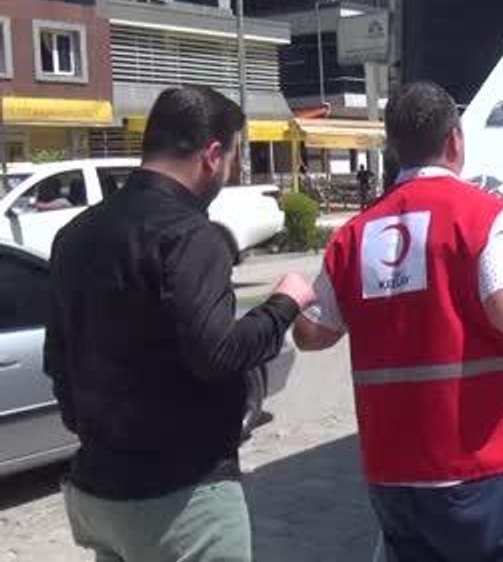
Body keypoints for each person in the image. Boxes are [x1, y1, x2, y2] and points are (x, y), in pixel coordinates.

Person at [291, 81, 503, 562]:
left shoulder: (355, 234)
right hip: (479, 466)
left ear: (392, 147)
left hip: (393, 475)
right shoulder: (479, 214)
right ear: (455, 140)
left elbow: (310, 333)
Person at [44, 86, 317, 562]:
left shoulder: (75, 235)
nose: (230, 171)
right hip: (181, 498)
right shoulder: (192, 235)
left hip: (98, 493)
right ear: (212, 155)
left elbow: (59, 362)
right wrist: (284, 304)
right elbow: (219, 353)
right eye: (233, 157)